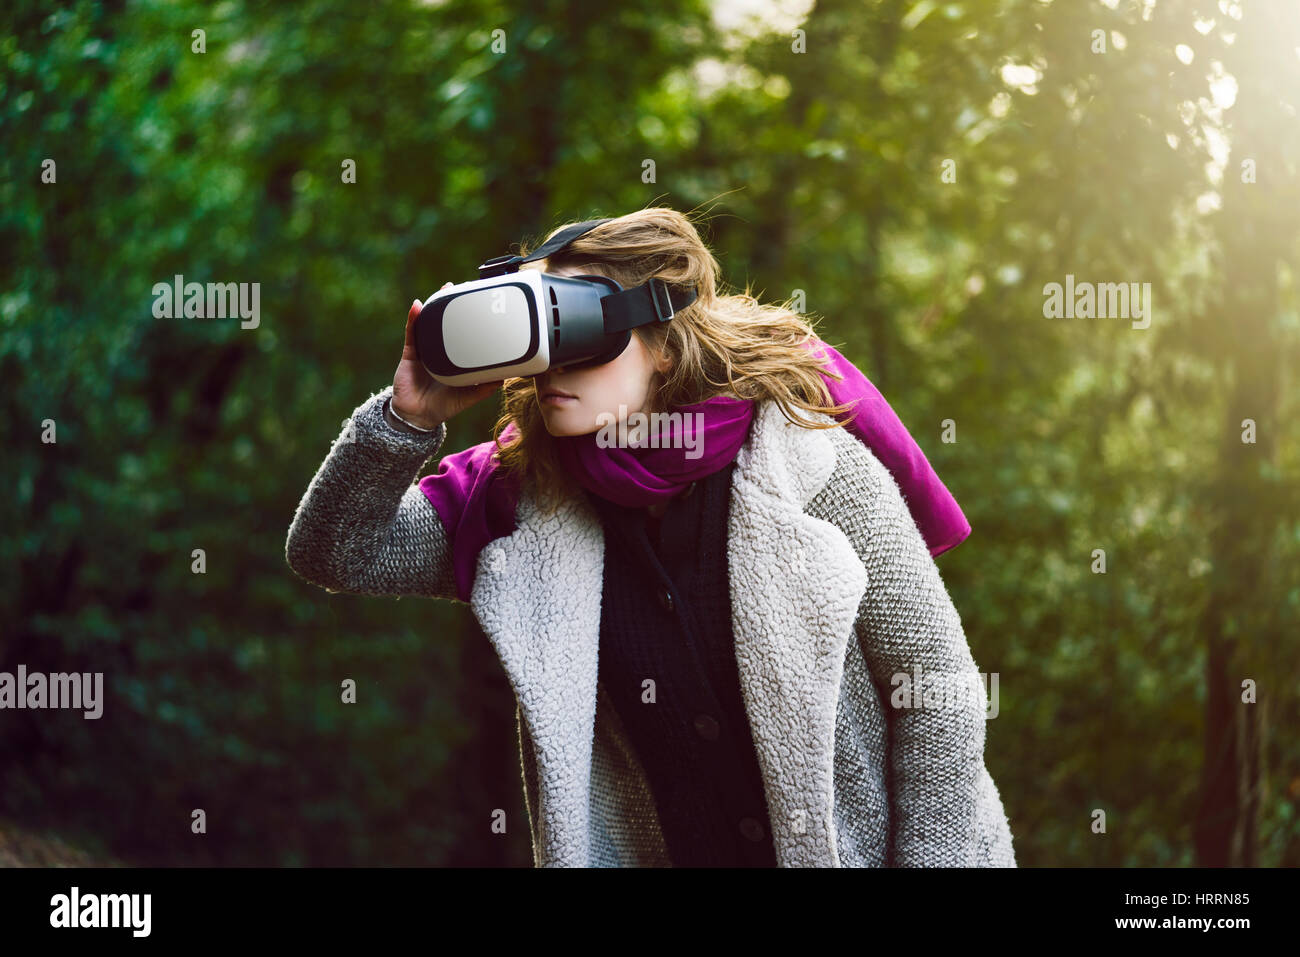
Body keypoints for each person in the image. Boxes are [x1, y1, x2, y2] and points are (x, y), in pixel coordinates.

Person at [284, 207, 1016, 867]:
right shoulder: (523, 500)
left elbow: (938, 688)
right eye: (541, 339)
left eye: (579, 332)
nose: (551, 368)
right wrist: (408, 417)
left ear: (663, 346)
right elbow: (336, 550)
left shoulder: (810, 464)